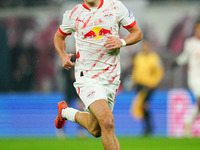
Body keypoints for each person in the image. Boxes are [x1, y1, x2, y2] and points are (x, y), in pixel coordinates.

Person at [54, 0, 143, 149]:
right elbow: (59, 37)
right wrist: (63, 55)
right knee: (107, 122)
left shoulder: (115, 6)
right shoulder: (73, 14)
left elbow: (137, 33)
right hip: (87, 77)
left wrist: (121, 42)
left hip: (111, 78)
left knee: (96, 130)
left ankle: (65, 112)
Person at [172, 20, 200, 137]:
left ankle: (187, 121)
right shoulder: (190, 43)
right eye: (198, 29)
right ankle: (187, 121)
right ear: (195, 30)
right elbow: (185, 56)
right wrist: (177, 62)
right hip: (194, 78)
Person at [130, 40, 164, 136]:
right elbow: (135, 70)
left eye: (146, 46)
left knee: (144, 105)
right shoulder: (138, 57)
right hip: (140, 85)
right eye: (143, 46)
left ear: (149, 47)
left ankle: (148, 128)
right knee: (142, 106)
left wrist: (153, 83)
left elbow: (159, 72)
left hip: (149, 86)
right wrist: (134, 80)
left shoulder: (155, 58)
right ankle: (148, 128)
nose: (144, 48)